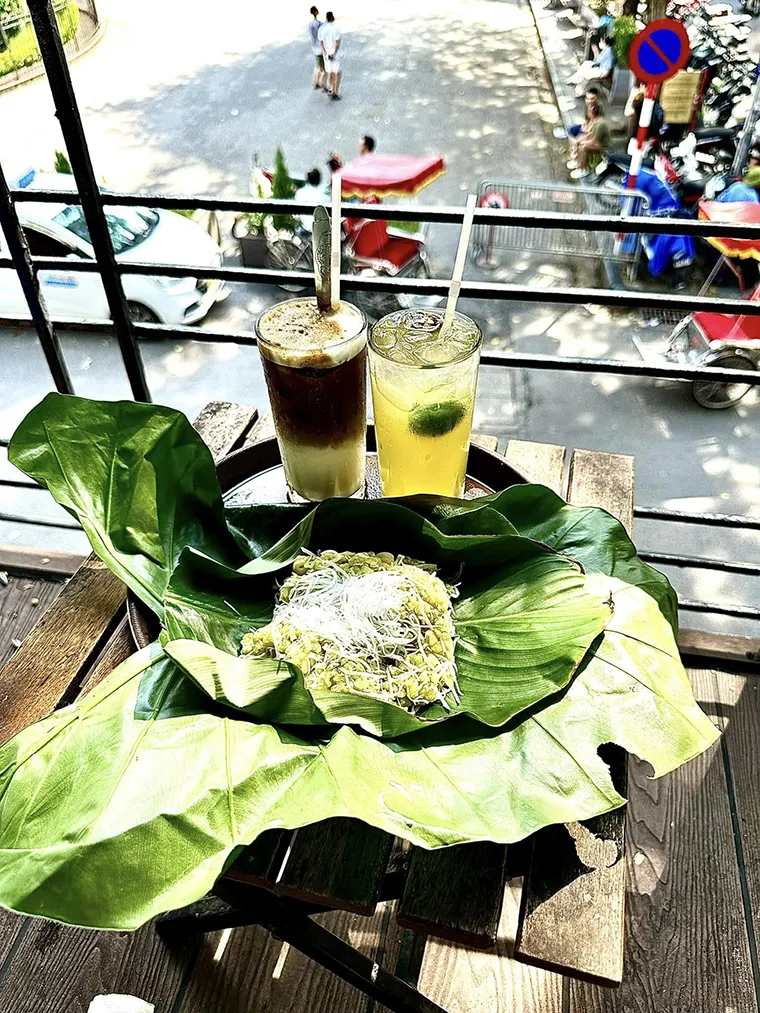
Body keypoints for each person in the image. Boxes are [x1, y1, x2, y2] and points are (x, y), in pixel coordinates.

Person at [567, 89, 611, 179]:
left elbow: (594, 139)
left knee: (582, 146)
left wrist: (583, 140)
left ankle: (583, 169)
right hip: (592, 134)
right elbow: (586, 122)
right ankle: (577, 160)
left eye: (592, 99)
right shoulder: (590, 111)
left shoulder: (600, 123)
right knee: (575, 136)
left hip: (601, 144)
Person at [319, 11, 342, 100]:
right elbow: (337, 42)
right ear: (332, 17)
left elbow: (321, 42)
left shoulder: (322, 29)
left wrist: (325, 52)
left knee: (330, 72)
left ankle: (331, 89)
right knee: (337, 72)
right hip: (334, 54)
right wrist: (334, 53)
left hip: (326, 54)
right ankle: (335, 91)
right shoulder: (335, 28)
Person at [308, 7, 325, 91]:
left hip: (314, 47)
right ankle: (320, 83)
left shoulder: (311, 24)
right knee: (323, 67)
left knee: (318, 64)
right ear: (316, 12)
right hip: (320, 47)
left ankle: (317, 82)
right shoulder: (319, 24)